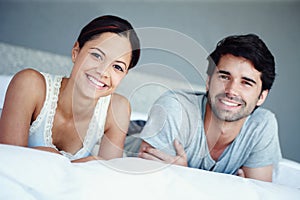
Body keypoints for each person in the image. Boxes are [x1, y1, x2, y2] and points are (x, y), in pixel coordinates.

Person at [138, 34, 281, 182]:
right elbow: (149, 186)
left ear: (262, 96)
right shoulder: (175, 108)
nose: (231, 90)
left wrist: (182, 175)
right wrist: (232, 188)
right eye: (224, 77)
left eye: (246, 83)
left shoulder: (262, 125)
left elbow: (258, 194)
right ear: (208, 82)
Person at [0, 15, 140, 162]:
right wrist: (87, 162)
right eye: (97, 55)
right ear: (76, 52)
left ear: (124, 75)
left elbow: (107, 176)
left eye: (117, 67)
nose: (103, 72)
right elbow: (10, 162)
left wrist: (54, 158)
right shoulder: (30, 85)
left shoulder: (117, 109)